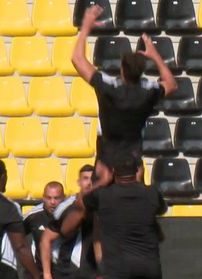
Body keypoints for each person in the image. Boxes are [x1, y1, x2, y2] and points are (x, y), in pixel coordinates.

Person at [72, 5, 177, 188]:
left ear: (122, 70)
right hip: (132, 160)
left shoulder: (108, 87)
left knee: (98, 204)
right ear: (141, 72)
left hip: (107, 156)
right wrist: (155, 56)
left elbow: (77, 59)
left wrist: (86, 27)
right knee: (133, 205)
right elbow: (171, 84)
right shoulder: (147, 91)